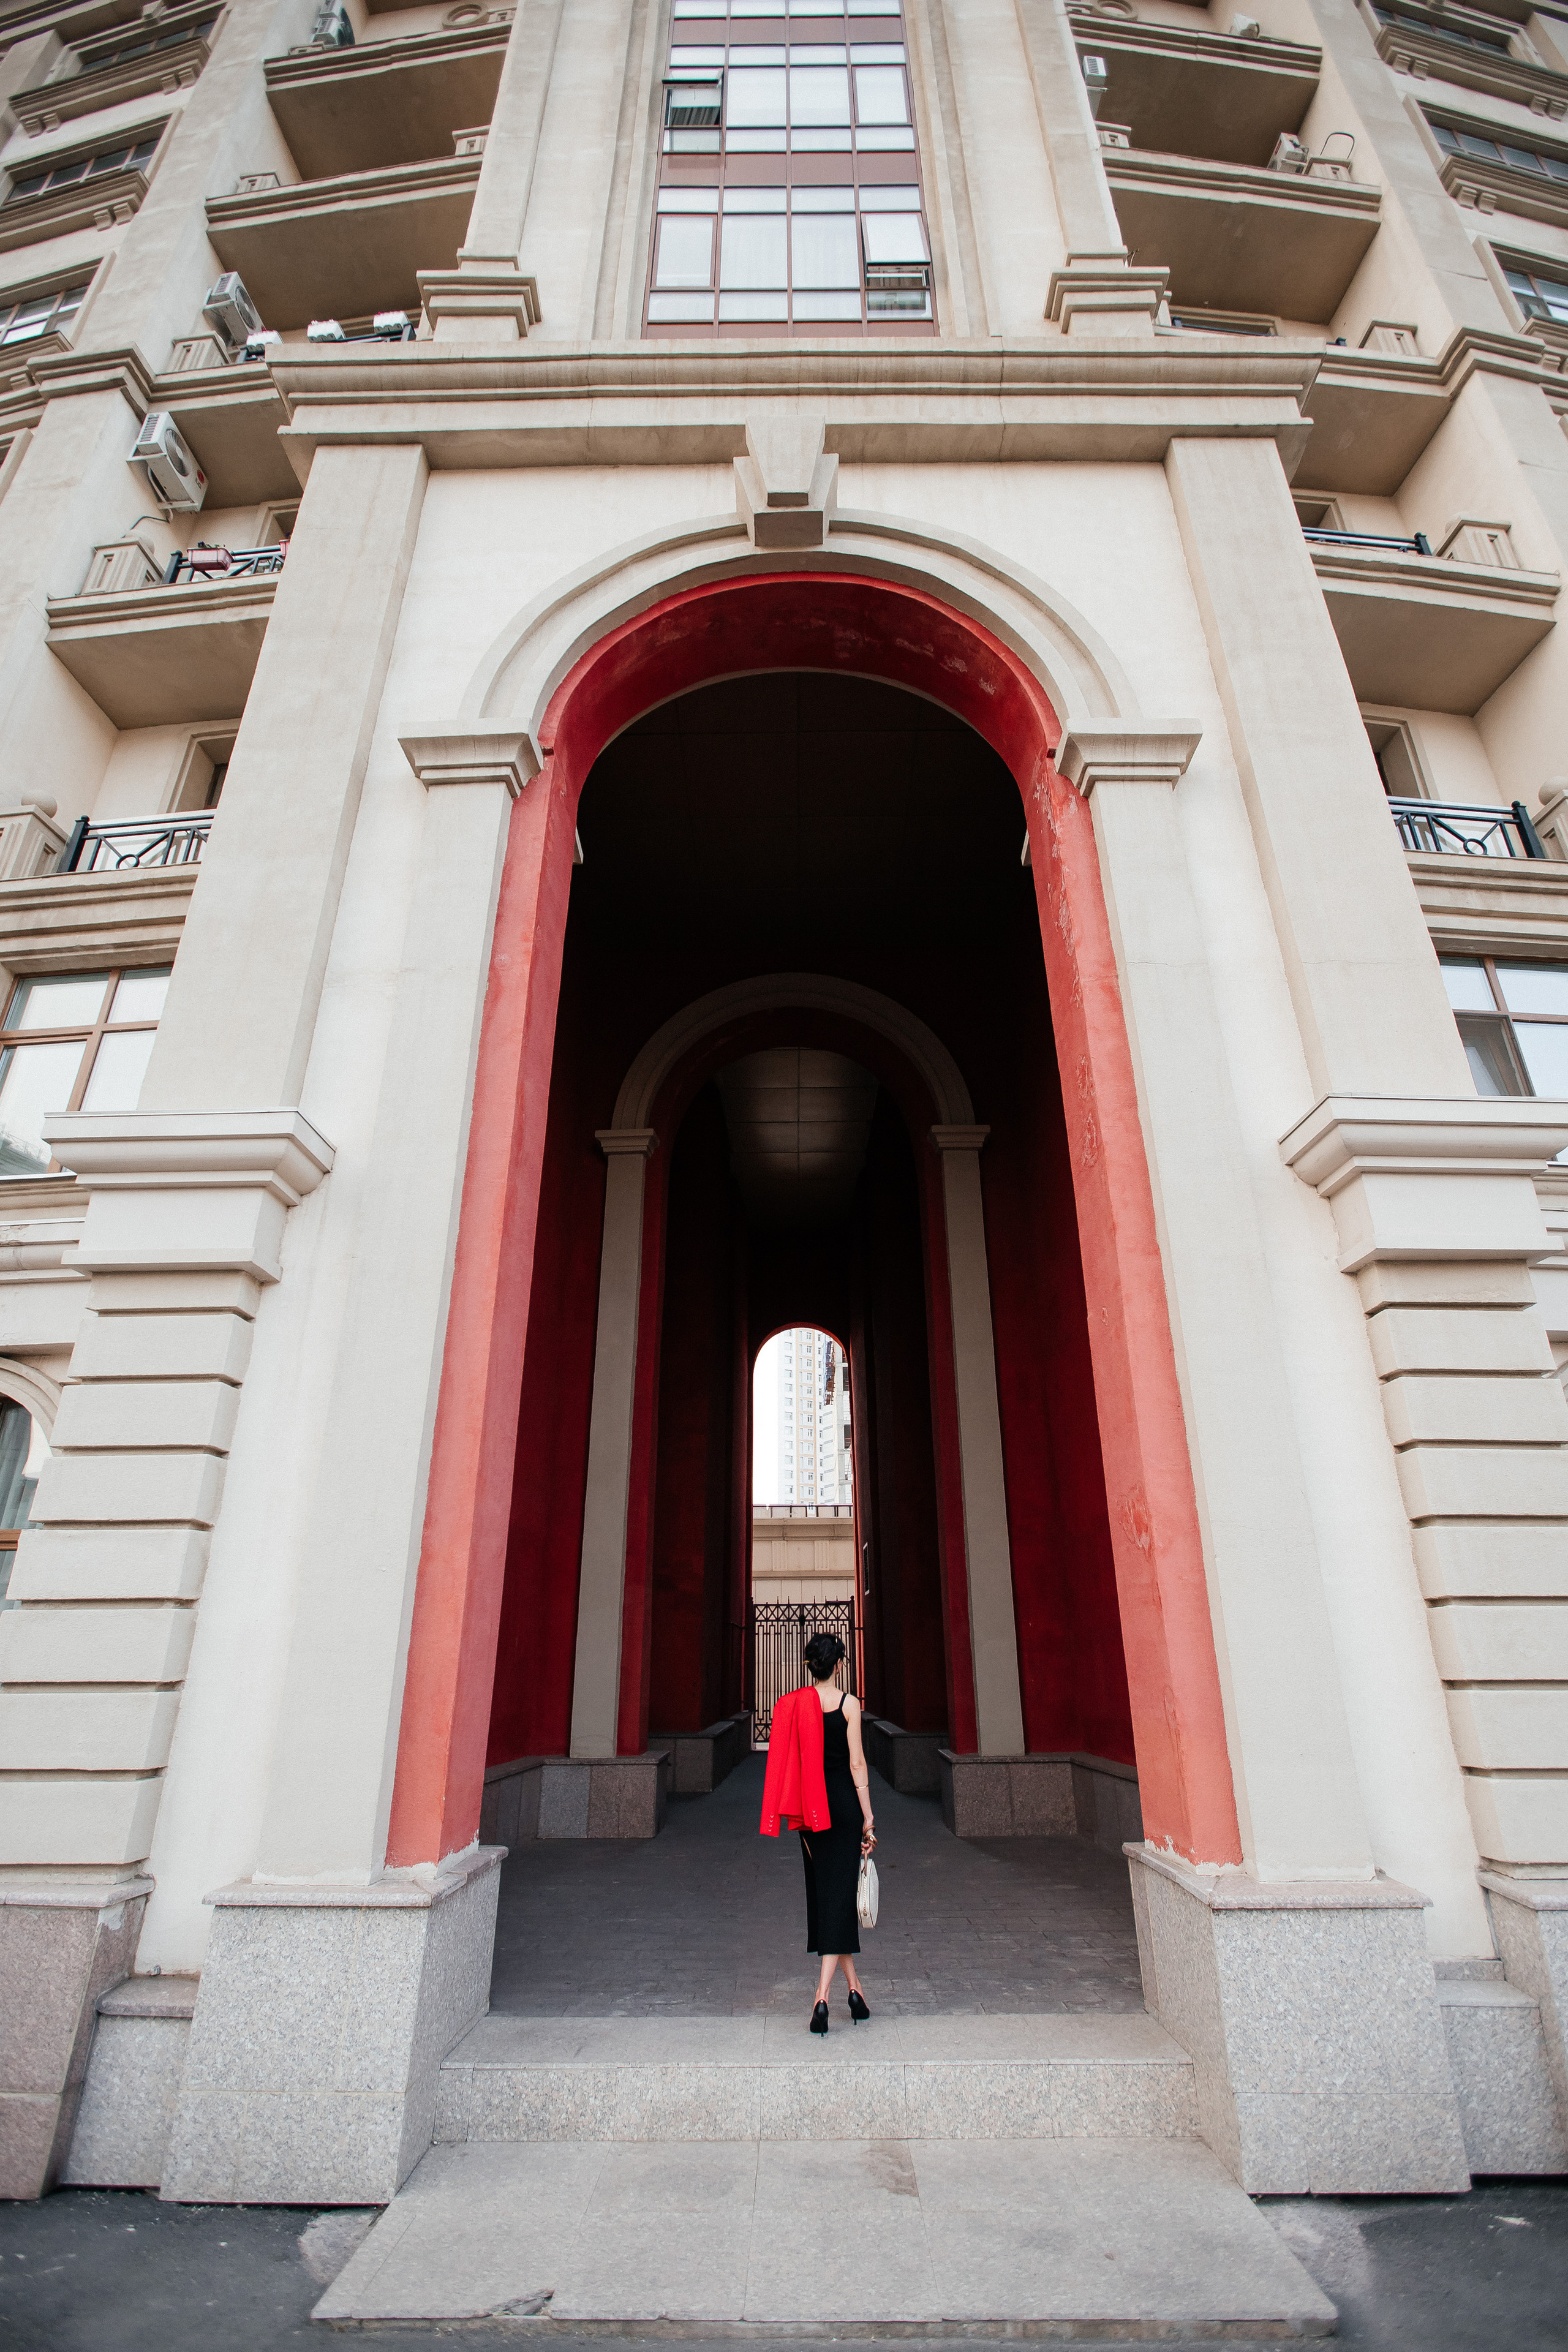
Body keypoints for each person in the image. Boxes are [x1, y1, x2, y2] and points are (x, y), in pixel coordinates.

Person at [758, 1632, 876, 2033]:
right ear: (839, 1665)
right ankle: (822, 1998)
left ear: (811, 1666)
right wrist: (868, 1816)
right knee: (837, 1899)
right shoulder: (849, 1705)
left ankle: (856, 1991)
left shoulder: (794, 1705)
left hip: (811, 1812)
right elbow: (857, 1765)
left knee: (830, 1898)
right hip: (843, 1808)